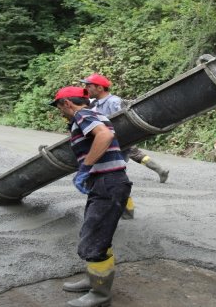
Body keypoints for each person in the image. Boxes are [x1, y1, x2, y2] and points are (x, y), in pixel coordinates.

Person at [50, 86, 132, 307]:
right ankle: (93, 280)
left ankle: (101, 295)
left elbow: (104, 135)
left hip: (108, 183)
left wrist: (85, 167)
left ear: (67, 103)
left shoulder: (83, 114)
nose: (60, 112)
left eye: (59, 106)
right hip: (106, 183)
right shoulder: (93, 113)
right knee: (97, 234)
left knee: (94, 240)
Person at [81, 73, 168, 218]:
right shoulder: (94, 104)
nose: (86, 88)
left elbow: (125, 124)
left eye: (88, 86)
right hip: (107, 146)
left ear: (100, 87)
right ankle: (120, 209)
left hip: (118, 145)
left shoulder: (114, 102)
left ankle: (127, 211)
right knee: (112, 177)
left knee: (117, 178)